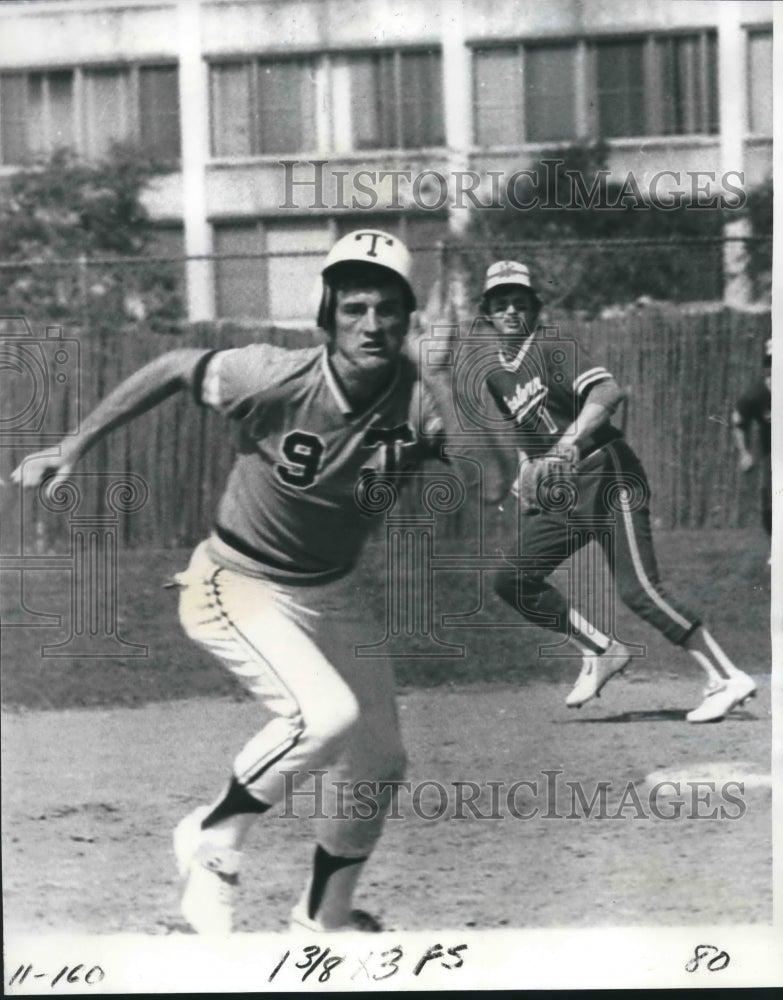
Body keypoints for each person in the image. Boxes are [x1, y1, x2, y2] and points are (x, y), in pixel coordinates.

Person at [12, 230, 456, 935]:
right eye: (354, 308)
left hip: (332, 592)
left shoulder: (421, 400)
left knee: (379, 757)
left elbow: (492, 482)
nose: (371, 324)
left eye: (388, 309)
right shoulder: (270, 374)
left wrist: (439, 375)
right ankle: (213, 841)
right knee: (324, 717)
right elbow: (171, 368)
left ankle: (324, 916)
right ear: (326, 315)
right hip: (236, 579)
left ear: (410, 319)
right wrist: (74, 444)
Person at [476, 260, 757, 724]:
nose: (510, 310)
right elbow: (529, 441)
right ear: (487, 312)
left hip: (608, 474)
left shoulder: (551, 346)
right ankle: (600, 649)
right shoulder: (498, 376)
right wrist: (525, 479)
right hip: (566, 490)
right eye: (500, 303)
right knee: (513, 579)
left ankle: (727, 677)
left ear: (534, 308)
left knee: (638, 590)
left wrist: (568, 442)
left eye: (519, 302)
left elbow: (607, 392)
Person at [731, 338, 772, 555]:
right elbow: (739, 422)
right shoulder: (755, 395)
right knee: (770, 506)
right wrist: (744, 453)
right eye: (772, 362)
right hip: (772, 454)